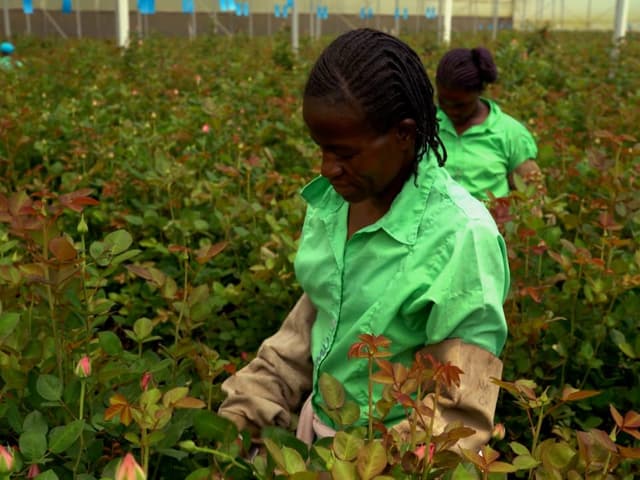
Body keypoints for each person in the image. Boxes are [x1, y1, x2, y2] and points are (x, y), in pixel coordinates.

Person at [218, 28, 509, 452]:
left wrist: (367, 465)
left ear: (405, 134)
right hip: (315, 439)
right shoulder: (333, 205)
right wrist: (244, 415)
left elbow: (458, 411)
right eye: (321, 148)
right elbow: (312, 327)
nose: (327, 169)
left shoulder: (462, 237)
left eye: (344, 153)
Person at [435, 47, 541, 200]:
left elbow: (532, 197)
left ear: (480, 91)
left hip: (492, 222)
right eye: (443, 102)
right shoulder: (426, 127)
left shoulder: (510, 133)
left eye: (461, 105)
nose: (451, 110)